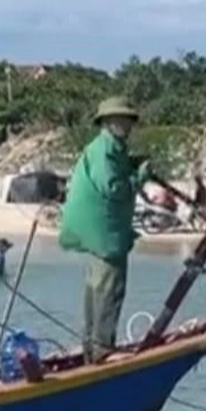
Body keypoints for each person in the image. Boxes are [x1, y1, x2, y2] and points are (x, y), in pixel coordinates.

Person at [58, 97, 150, 365]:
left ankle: (92, 350)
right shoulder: (105, 149)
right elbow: (113, 187)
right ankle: (101, 351)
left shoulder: (107, 148)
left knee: (96, 289)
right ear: (109, 122)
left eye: (129, 120)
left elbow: (112, 173)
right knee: (109, 289)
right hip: (104, 232)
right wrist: (140, 178)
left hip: (98, 231)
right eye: (123, 120)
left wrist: (130, 165)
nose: (128, 125)